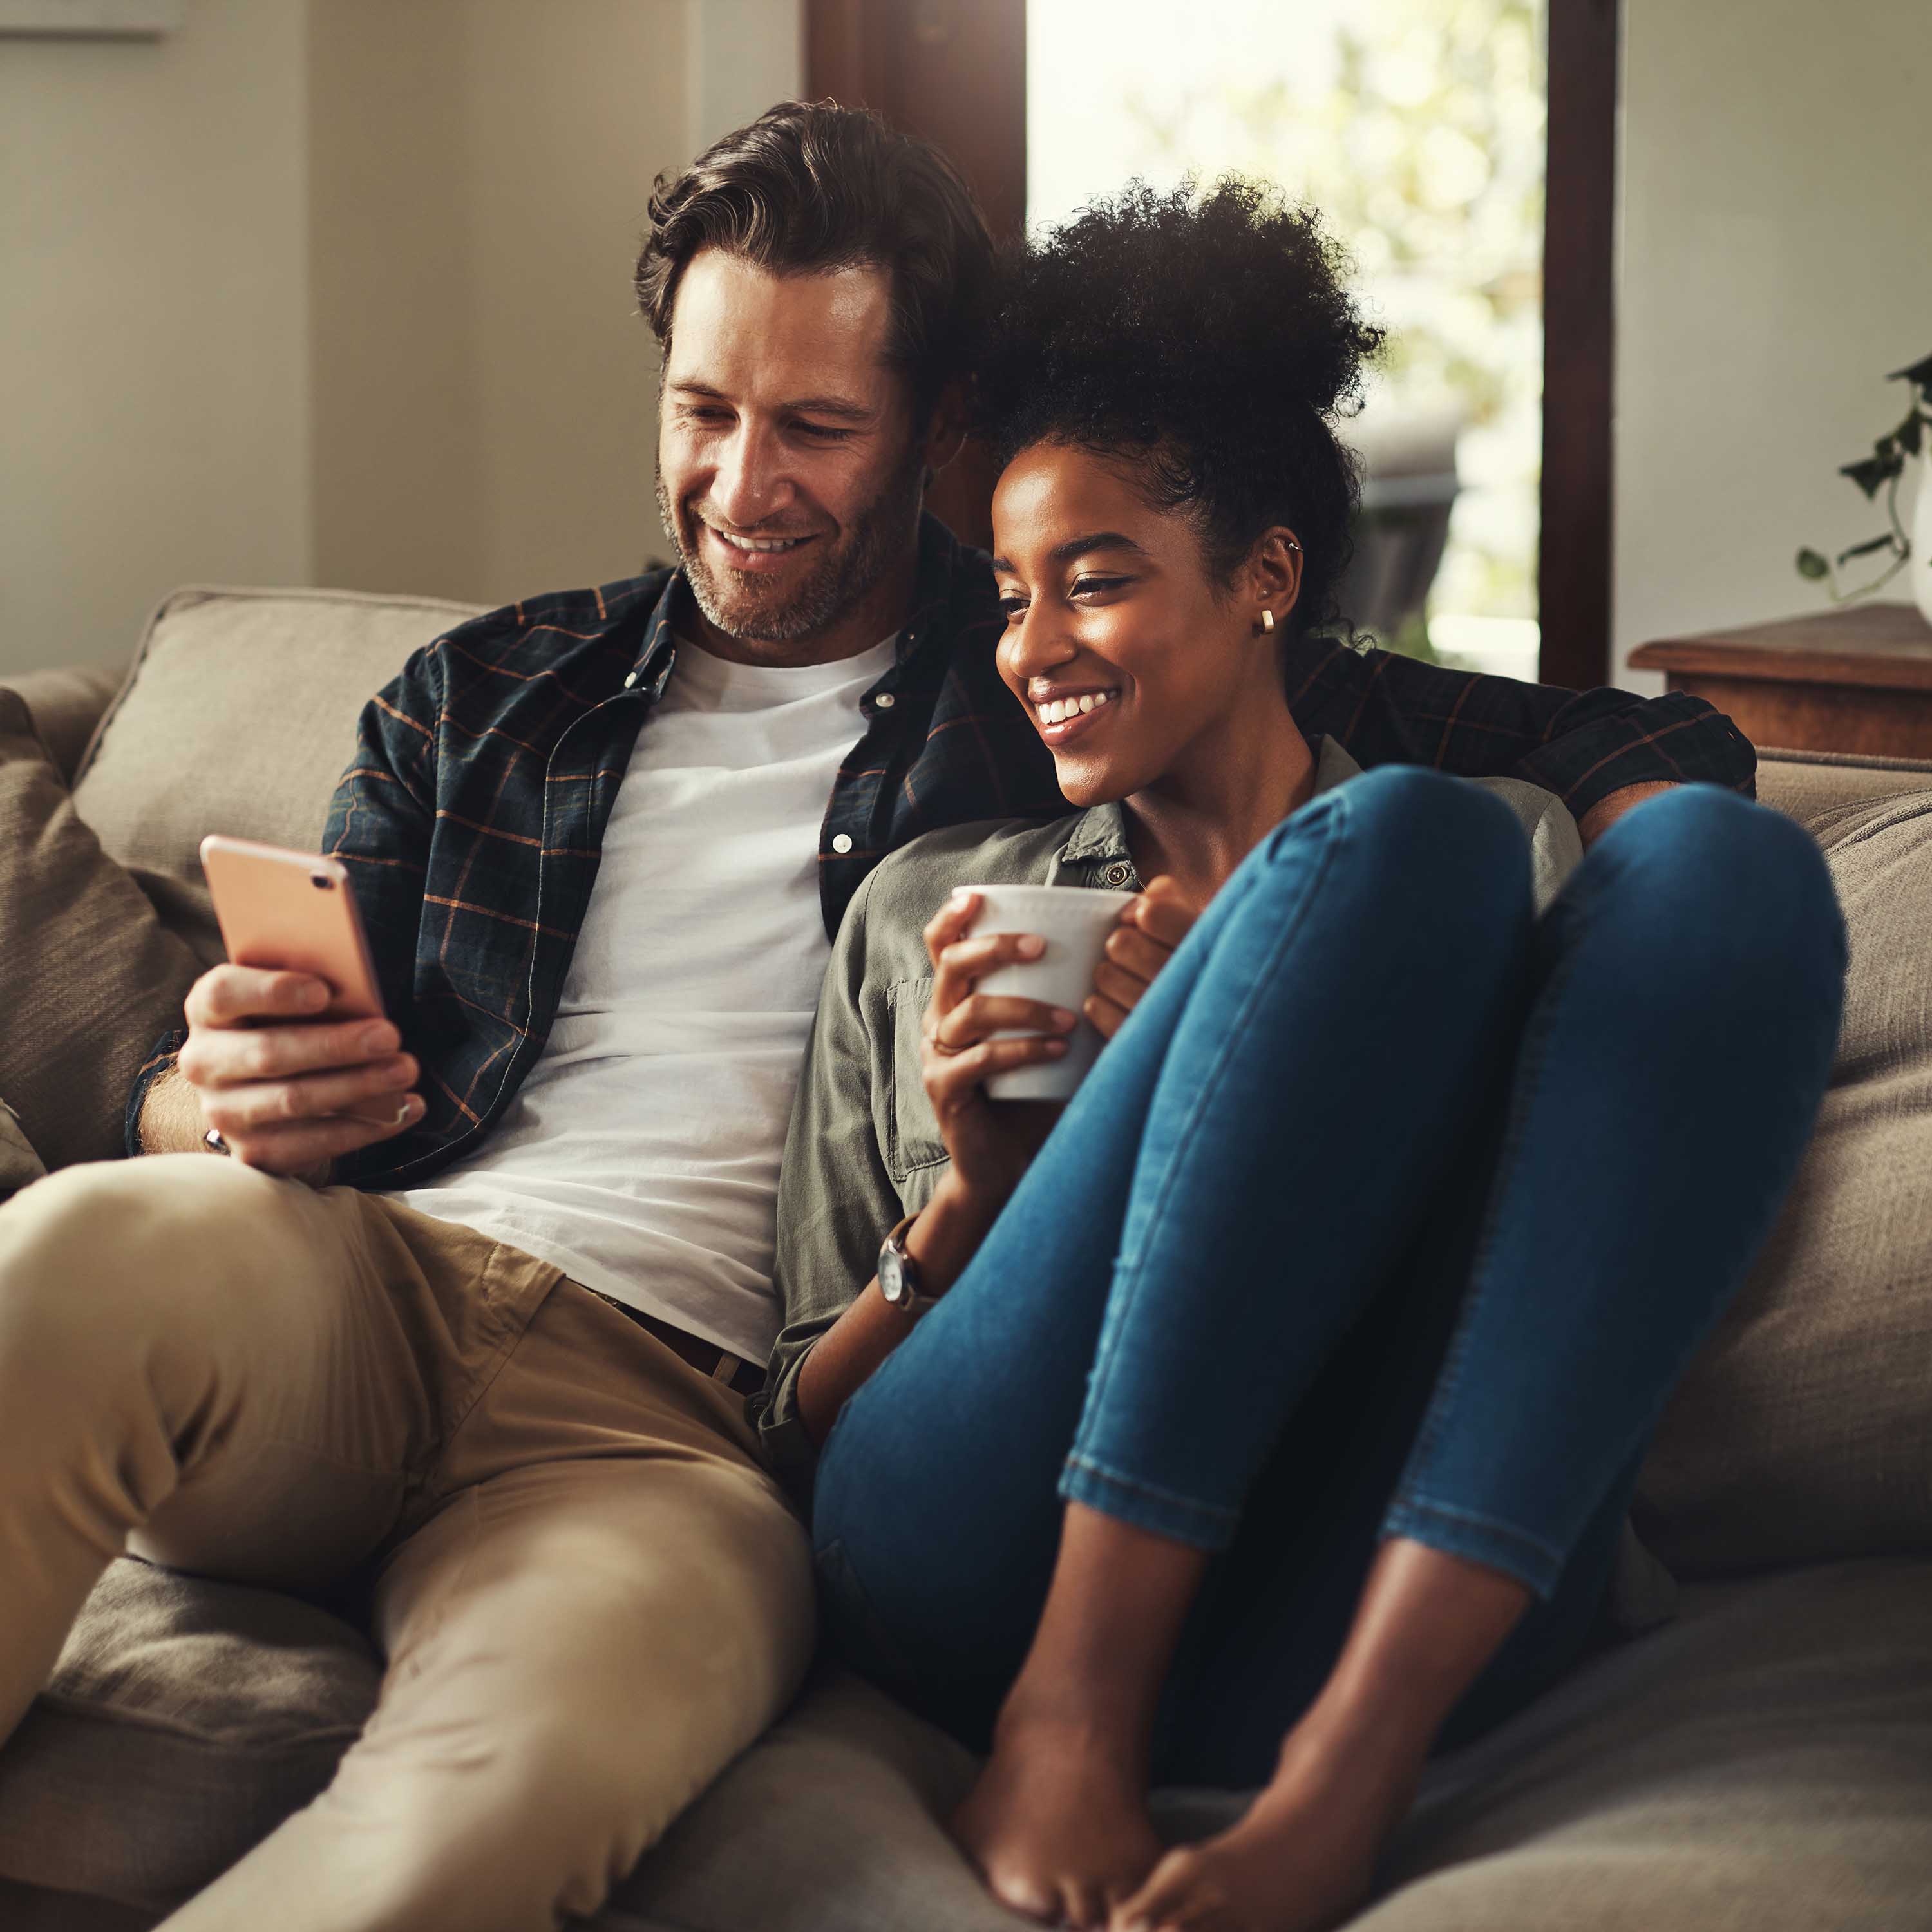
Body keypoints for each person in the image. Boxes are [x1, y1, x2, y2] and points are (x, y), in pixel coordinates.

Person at [0, 104, 1749, 1932]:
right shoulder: (483, 694)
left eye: (818, 428)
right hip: (353, 1292)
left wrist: (1629, 884)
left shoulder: (1051, 667)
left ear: (934, 435)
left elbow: (1622, 744)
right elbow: (240, 1061)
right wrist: (211, 1098)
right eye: (704, 412)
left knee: (492, 1817)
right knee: (74, 1252)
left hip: (682, 1444)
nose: (745, 481)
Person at [755, 180, 1846, 1932]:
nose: (1034, 646)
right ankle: (1072, 1714)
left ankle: (1350, 1775)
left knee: (1721, 864)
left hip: (1347, 1579)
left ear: (1268, 578)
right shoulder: (922, 910)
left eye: (1094, 583)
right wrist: (975, 1198)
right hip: (979, 1555)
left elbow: (1536, 1241)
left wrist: (1271, 1010)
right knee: (1400, 846)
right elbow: (792, 1430)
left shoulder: (1493, 853)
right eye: (1013, 597)